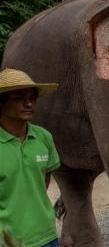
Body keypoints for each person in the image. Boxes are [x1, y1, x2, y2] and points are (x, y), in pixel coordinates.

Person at [0, 68, 60, 247]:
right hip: (8, 242)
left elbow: (42, 184)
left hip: (46, 236)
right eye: (20, 98)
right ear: (1, 103)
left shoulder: (44, 137)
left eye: (32, 98)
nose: (29, 104)